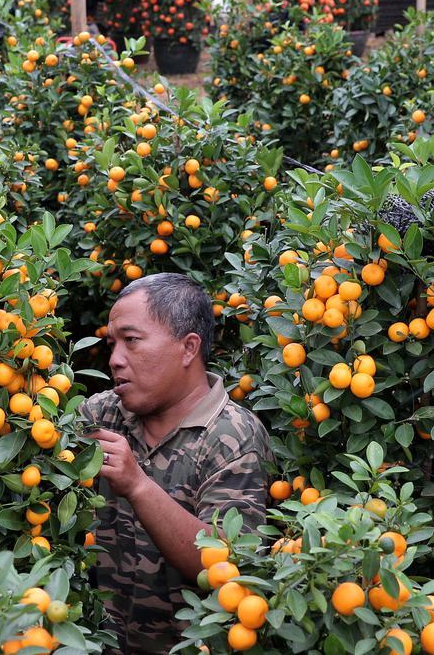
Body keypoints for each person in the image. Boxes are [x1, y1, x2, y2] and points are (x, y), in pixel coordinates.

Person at [81, 273, 274, 654]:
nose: (115, 359)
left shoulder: (233, 437)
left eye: (131, 341)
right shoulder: (103, 414)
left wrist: (137, 485)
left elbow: (227, 566)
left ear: (188, 348)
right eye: (112, 344)